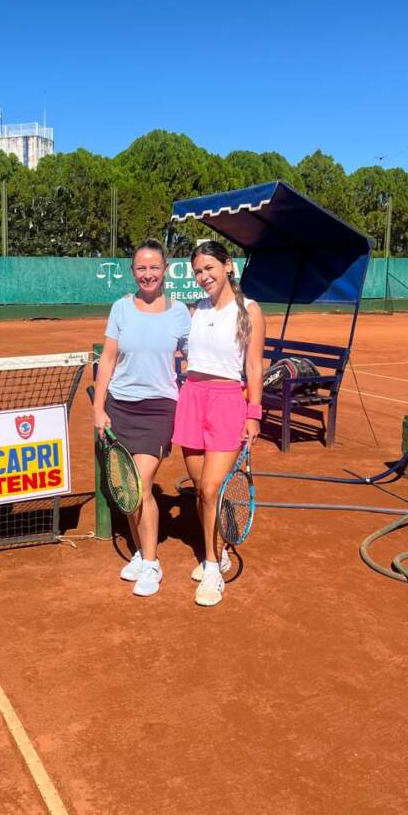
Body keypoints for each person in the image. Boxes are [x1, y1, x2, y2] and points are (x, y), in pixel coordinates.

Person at [92, 239, 191, 596]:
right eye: (141, 268)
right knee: (126, 490)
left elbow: (195, 360)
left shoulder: (181, 314)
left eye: (154, 268)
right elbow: (108, 359)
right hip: (120, 407)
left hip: (160, 409)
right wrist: (99, 406)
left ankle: (151, 563)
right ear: (133, 272)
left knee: (140, 484)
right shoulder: (120, 308)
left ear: (165, 270)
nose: (147, 274)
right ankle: (140, 552)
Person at [172, 240, 265, 608]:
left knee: (212, 488)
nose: (203, 276)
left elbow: (255, 366)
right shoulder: (193, 311)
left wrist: (253, 414)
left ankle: (212, 568)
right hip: (192, 400)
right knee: (200, 488)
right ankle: (219, 550)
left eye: (209, 268)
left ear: (228, 265)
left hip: (228, 403)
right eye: (197, 271)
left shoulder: (250, 311)